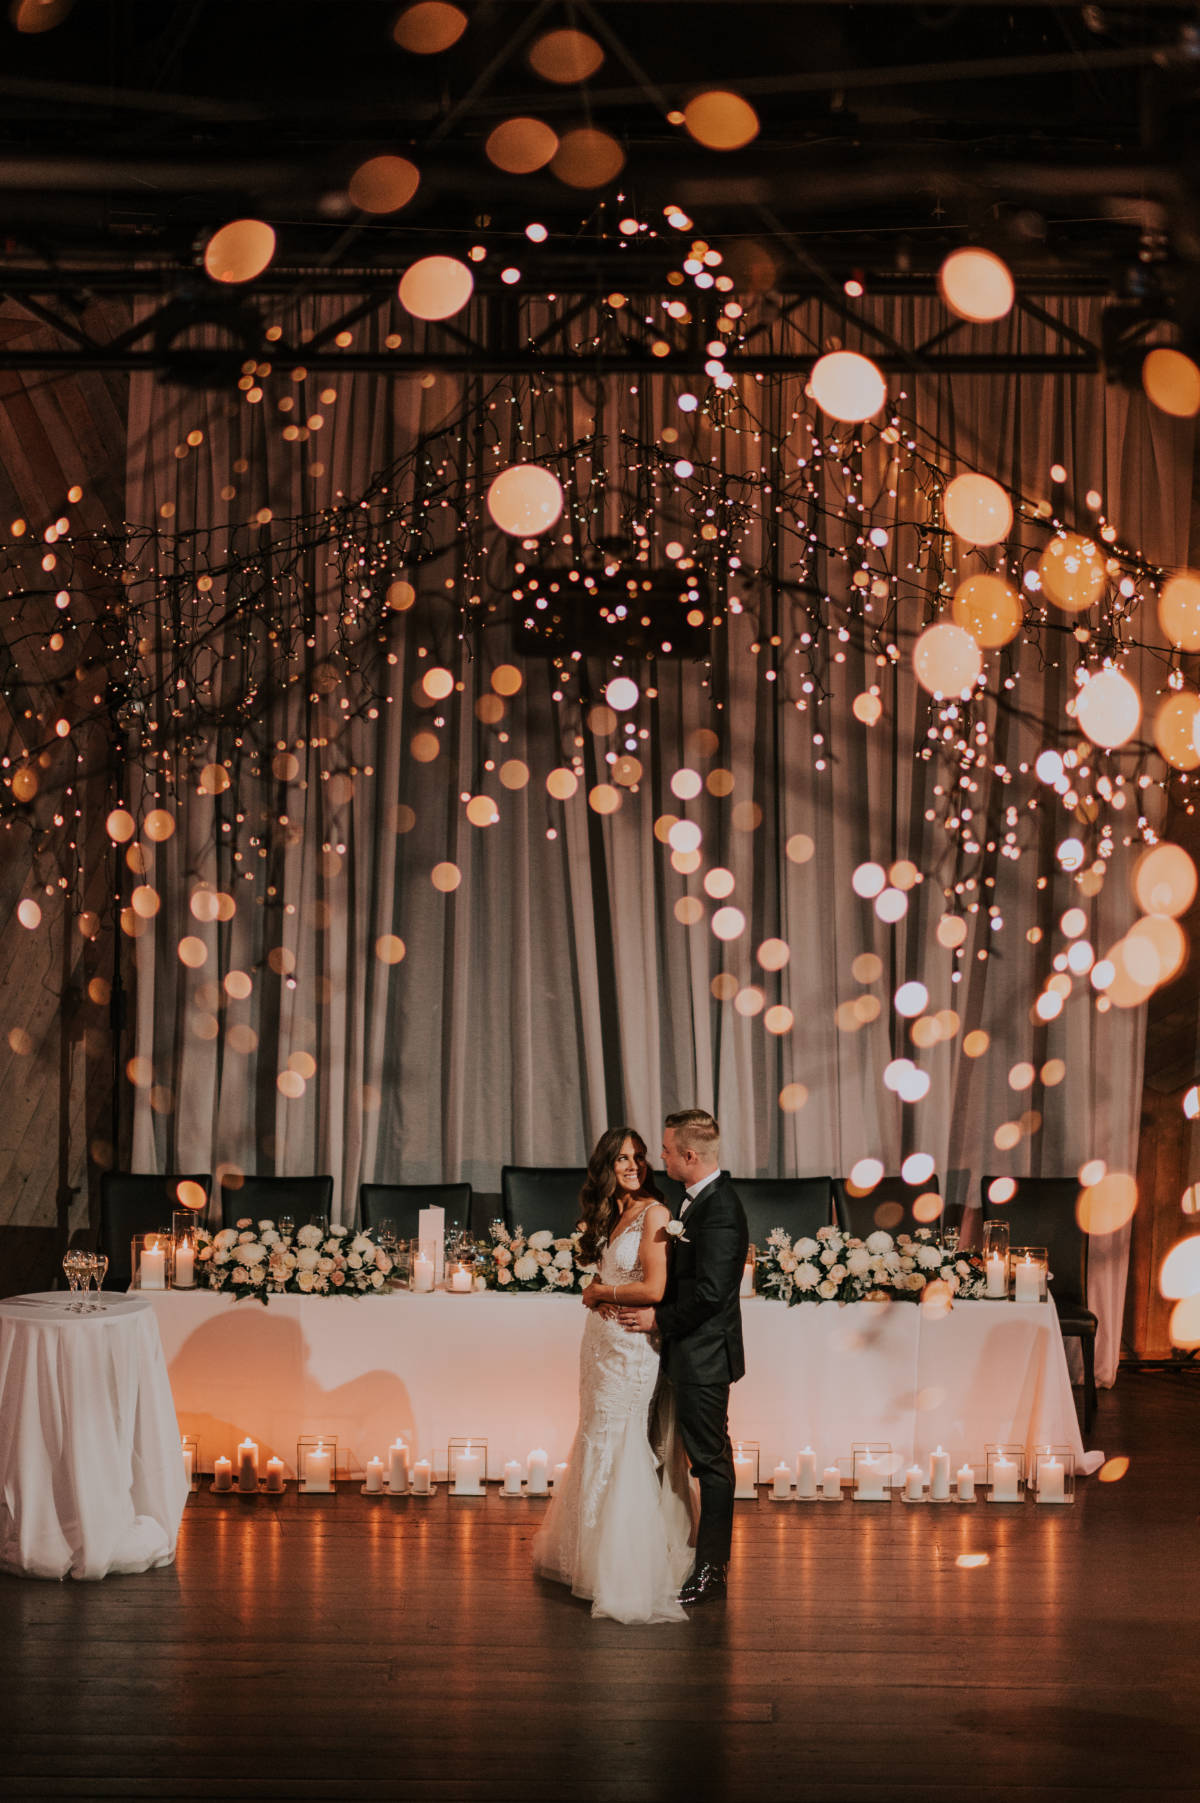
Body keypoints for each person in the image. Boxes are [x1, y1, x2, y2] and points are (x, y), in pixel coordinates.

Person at [532, 1126, 693, 1623]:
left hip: (631, 1345)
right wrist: (600, 1287)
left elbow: (655, 1288)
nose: (633, 1165)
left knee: (622, 1439)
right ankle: (587, 1552)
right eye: (622, 1158)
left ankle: (621, 1567)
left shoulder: (655, 1213)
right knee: (594, 1435)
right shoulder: (613, 1212)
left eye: (639, 1157)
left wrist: (601, 1293)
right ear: (606, 1165)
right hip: (598, 1345)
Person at [617, 1108, 748, 1606]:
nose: (662, 1156)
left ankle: (712, 1571)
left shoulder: (720, 1209)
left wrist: (659, 1320)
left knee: (711, 1463)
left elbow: (713, 1293)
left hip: (704, 1357)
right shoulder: (696, 1201)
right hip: (689, 1353)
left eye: (668, 1150)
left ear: (690, 1156)